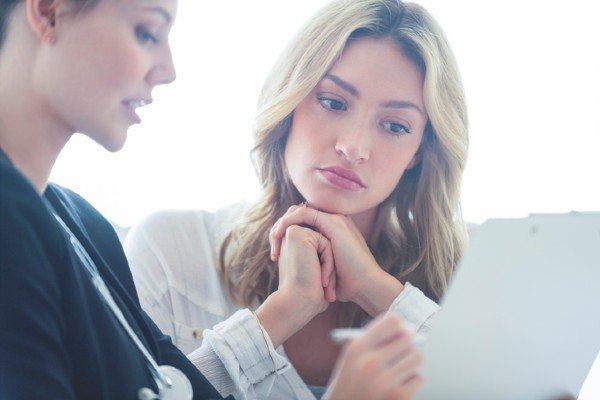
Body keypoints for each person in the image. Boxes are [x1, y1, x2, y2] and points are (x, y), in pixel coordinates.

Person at [0, 0, 420, 398]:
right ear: (49, 11)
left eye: (396, 125)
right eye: (146, 32)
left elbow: (171, 388)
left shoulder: (83, 224)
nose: (168, 70)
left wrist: (294, 305)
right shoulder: (15, 225)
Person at [125, 0, 459, 398]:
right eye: (333, 102)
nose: (353, 147)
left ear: (420, 150)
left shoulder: (467, 274)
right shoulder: (173, 252)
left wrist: (380, 293)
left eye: (395, 125)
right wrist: (282, 312)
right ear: (290, 100)